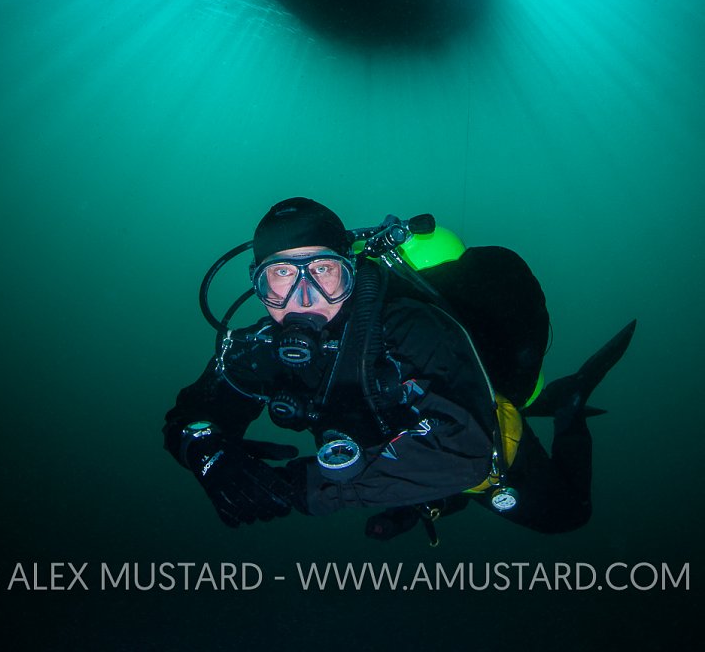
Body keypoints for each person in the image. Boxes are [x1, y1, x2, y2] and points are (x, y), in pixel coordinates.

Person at [163, 198, 635, 541]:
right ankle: (427, 502)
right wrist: (209, 455)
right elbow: (190, 415)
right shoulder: (257, 347)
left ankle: (569, 405)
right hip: (389, 453)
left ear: (349, 269)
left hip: (480, 444)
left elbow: (464, 453)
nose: (304, 299)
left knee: (567, 515)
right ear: (258, 285)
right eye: (282, 275)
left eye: (323, 272)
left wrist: (300, 487)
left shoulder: (410, 327)